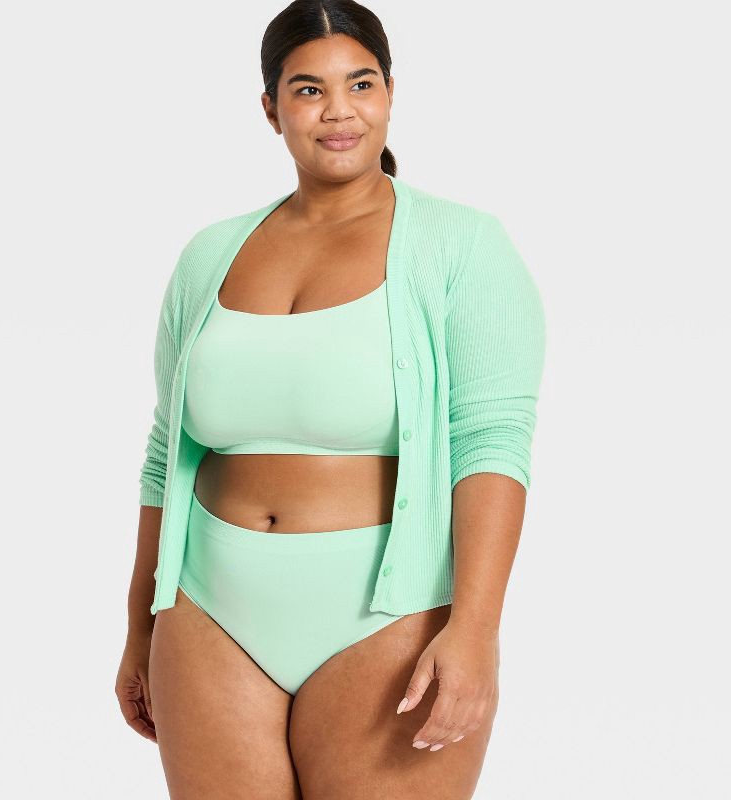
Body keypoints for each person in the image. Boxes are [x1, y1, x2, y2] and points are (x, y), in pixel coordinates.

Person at [115, 1, 546, 797]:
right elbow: (163, 453)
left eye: (361, 83)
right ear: (270, 107)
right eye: (309, 89)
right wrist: (140, 625)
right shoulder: (209, 255)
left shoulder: (462, 245)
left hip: (385, 620)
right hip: (207, 614)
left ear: (390, 93)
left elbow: (491, 441)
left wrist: (476, 630)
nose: (339, 111)